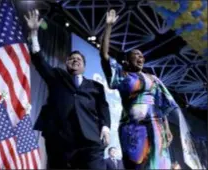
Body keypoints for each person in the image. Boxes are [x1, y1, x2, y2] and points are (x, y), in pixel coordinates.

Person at [24, 10, 111, 169]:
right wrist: (34, 33)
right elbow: (39, 61)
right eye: (72, 58)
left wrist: (105, 127)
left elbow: (103, 107)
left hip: (90, 139)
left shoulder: (96, 87)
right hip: (59, 138)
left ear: (84, 66)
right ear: (67, 64)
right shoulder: (57, 76)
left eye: (79, 59)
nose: (75, 60)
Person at [99, 9, 176, 169]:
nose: (140, 57)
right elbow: (104, 56)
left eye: (142, 55)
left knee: (157, 164)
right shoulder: (123, 75)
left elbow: (162, 106)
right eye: (136, 55)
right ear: (127, 61)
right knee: (137, 164)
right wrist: (108, 27)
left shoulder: (154, 79)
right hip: (132, 127)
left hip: (156, 126)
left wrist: (166, 128)